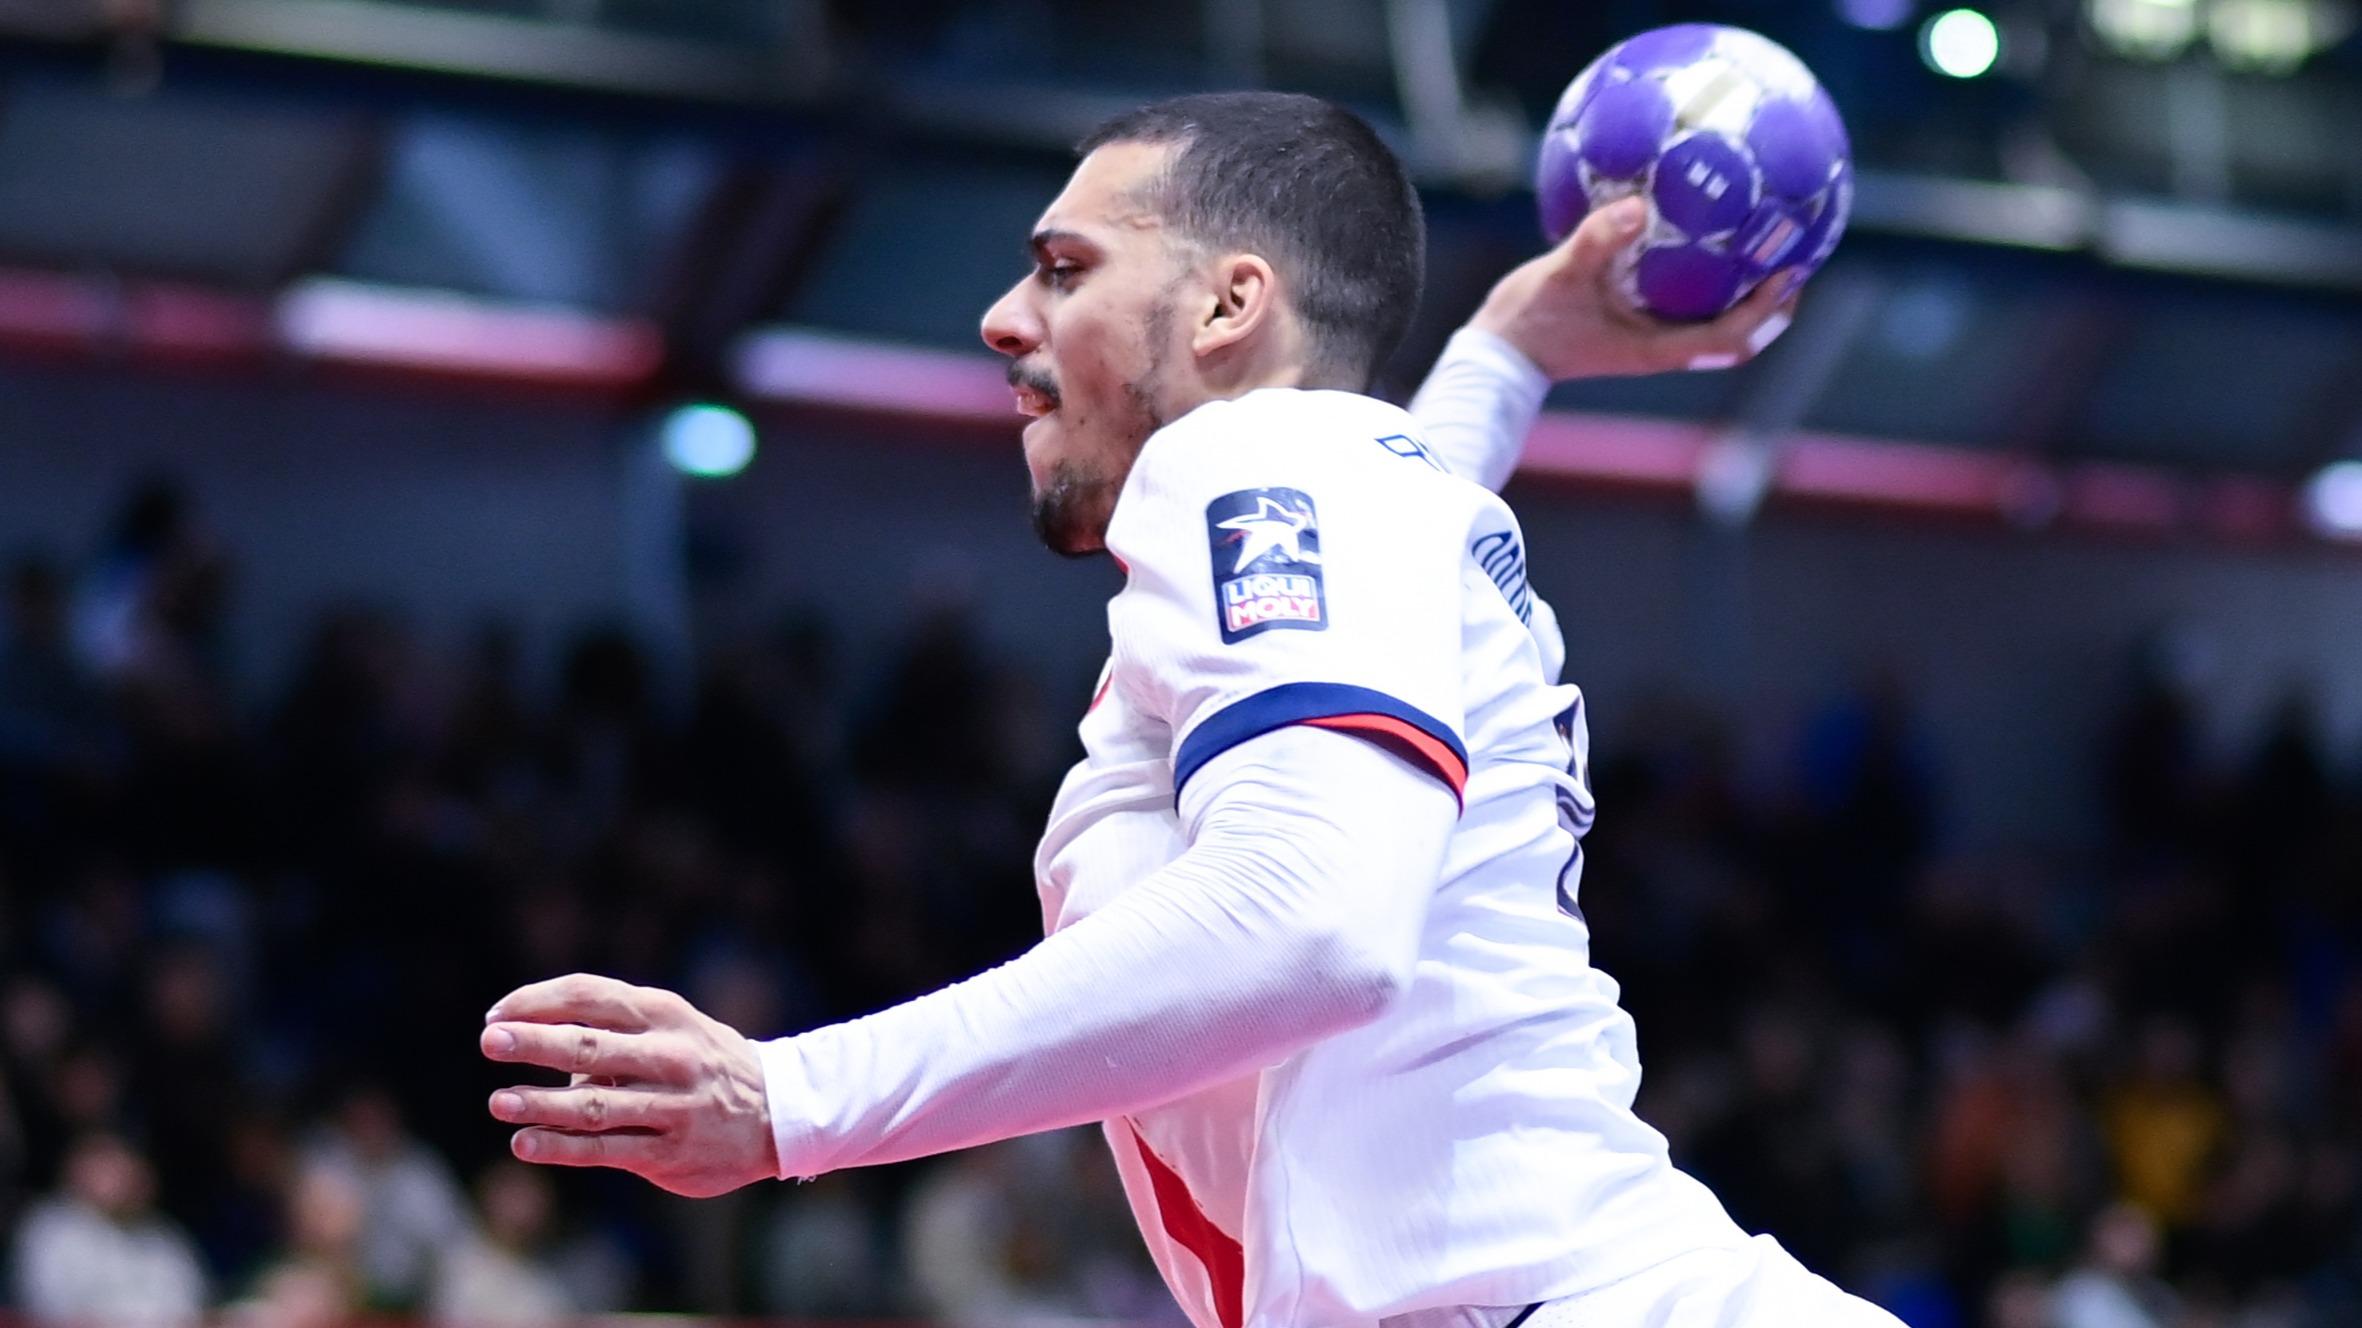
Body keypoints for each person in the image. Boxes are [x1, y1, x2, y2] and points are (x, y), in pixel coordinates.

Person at [481, 90, 1898, 1328]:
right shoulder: (1359, 497)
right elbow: (1383, 504)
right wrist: (1507, 352)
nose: (1001, 317)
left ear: (1229, 305)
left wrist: (790, 1103)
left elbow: (1309, 911)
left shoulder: (1258, 462)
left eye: (1064, 268)